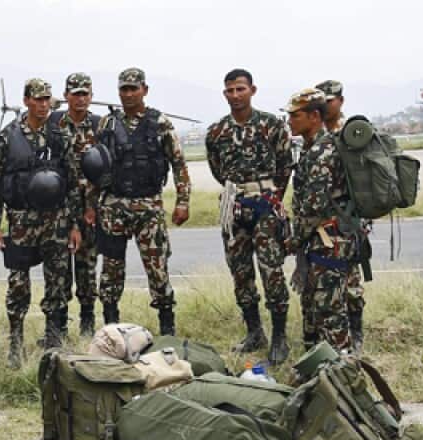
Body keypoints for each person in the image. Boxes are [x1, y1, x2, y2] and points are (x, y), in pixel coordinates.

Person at [205, 68, 296, 363]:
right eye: (230, 90)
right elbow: (217, 169)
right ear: (224, 94)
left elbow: (285, 166)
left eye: (240, 89)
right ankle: (255, 331)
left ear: (252, 90)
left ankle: (280, 337)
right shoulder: (217, 132)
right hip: (233, 207)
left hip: (266, 205)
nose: (235, 95)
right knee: (240, 272)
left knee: (271, 271)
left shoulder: (272, 126)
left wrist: (273, 199)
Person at [95, 68, 190, 336]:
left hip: (149, 206)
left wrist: (182, 201)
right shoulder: (107, 124)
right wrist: (92, 206)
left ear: (144, 90)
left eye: (133, 89)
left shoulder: (160, 122)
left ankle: (167, 328)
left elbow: (179, 164)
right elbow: (95, 165)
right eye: (123, 89)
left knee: (157, 268)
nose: (128, 94)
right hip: (114, 206)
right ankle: (111, 330)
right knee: (110, 270)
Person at [0, 78, 74, 367]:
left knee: (57, 283)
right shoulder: (8, 136)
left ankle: (53, 343)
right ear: (26, 101)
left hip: (56, 221)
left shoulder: (60, 134)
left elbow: (72, 182)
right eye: (37, 99)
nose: (43, 104)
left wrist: (73, 225)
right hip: (22, 221)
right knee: (18, 284)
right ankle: (16, 344)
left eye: (47, 98)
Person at [287, 88, 354, 353]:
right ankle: (317, 372)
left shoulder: (323, 152)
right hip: (317, 243)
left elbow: (314, 207)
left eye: (295, 115)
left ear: (314, 116)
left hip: (329, 243)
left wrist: (294, 239)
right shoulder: (311, 148)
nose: (290, 121)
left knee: (330, 313)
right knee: (313, 312)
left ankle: (342, 372)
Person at [51, 72, 103, 337]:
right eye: (75, 93)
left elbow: (107, 168)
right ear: (66, 96)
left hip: (89, 207)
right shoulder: (54, 124)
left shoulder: (101, 125)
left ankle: (87, 322)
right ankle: (59, 326)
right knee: (59, 267)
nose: (80, 98)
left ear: (91, 96)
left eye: (85, 93)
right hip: (60, 207)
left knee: (87, 265)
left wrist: (94, 205)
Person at [317, 79, 367, 350]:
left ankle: (356, 332)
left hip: (348, 218)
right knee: (327, 279)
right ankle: (333, 331)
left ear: (341, 101)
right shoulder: (316, 136)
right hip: (322, 220)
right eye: (321, 101)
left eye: (330, 100)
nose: (326, 105)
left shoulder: (351, 134)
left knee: (351, 279)